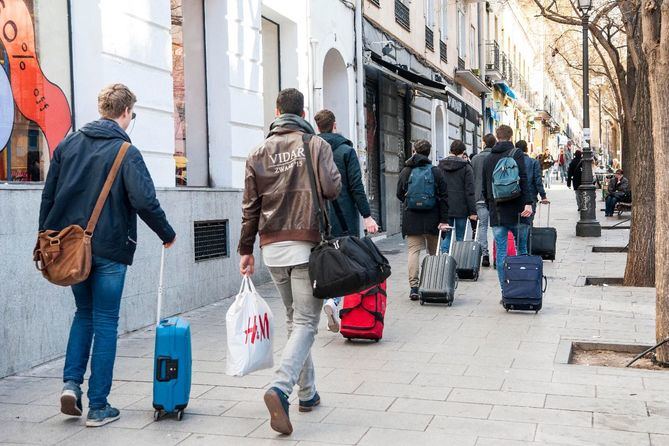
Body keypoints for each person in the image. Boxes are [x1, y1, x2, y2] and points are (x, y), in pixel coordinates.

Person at [39, 84, 176, 427]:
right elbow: (144, 201)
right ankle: (98, 406)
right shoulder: (126, 152)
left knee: (83, 314)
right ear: (126, 112)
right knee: (105, 322)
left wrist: (46, 237)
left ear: (102, 109)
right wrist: (166, 234)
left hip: (70, 249)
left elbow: (49, 196)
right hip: (110, 249)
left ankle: (71, 385)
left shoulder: (67, 145)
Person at [238, 88, 341, 435]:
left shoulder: (257, 152)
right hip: (306, 243)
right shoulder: (316, 145)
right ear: (302, 112)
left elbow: (250, 207)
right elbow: (331, 188)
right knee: (307, 323)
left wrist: (245, 250)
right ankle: (281, 388)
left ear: (277, 110)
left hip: (272, 247)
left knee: (295, 319)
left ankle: (308, 393)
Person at [313, 109, 379, 333]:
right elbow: (356, 186)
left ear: (318, 127)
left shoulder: (309, 150)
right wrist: (367, 215)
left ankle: (326, 300)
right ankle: (335, 301)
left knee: (325, 260)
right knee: (346, 261)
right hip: (344, 216)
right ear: (334, 125)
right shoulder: (346, 151)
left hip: (317, 216)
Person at [396, 139, 449, 301]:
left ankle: (414, 287)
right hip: (433, 217)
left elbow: (399, 193)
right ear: (429, 152)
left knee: (414, 252)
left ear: (414, 151)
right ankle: (432, 284)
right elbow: (444, 197)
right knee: (433, 253)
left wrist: (410, 201)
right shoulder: (436, 171)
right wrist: (443, 220)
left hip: (412, 217)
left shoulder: (406, 171)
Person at [481, 125, 533, 290]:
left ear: (497, 137)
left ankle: (506, 290)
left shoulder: (488, 158)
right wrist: (528, 203)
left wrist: (491, 208)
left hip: (497, 212)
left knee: (502, 252)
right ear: (511, 136)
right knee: (522, 249)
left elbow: (484, 187)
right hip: (518, 210)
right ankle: (523, 287)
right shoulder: (516, 153)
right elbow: (523, 179)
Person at [438, 140, 477, 253]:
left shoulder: (440, 166)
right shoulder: (466, 167)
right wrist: (472, 212)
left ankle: (444, 260)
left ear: (450, 150)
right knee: (460, 237)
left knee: (446, 236)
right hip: (462, 208)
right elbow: (470, 191)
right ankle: (459, 262)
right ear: (463, 152)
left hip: (445, 207)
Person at [516, 140, 549, 254]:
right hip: (530, 198)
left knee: (516, 224)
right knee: (528, 224)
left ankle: (517, 249)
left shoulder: (512, 162)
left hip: (514, 198)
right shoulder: (533, 162)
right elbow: (537, 181)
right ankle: (526, 251)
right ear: (526, 149)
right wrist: (543, 196)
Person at [471, 133, 496, 267]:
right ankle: (497, 255)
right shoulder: (497, 157)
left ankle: (485, 255)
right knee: (498, 227)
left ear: (484, 143)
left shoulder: (475, 159)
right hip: (495, 197)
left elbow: (472, 179)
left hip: (479, 197)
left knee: (482, 227)